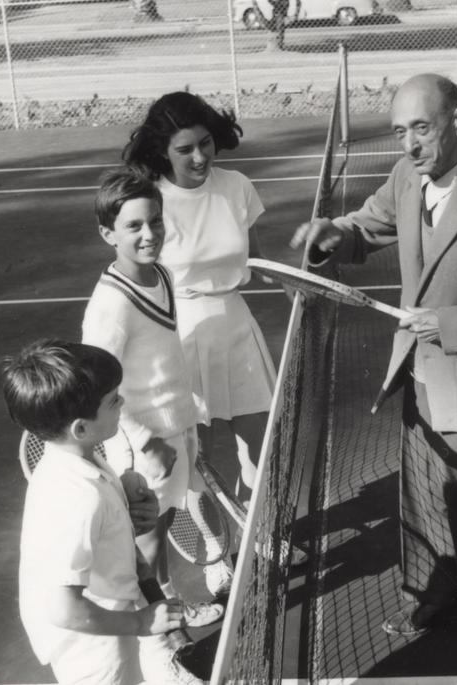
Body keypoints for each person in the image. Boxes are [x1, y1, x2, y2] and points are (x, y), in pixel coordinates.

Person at [290, 73, 457, 677]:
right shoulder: (407, 178)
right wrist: (337, 233)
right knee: (421, 499)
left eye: (422, 128)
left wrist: (453, 322)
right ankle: (435, 596)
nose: (409, 145)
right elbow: (371, 224)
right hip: (419, 376)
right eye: (399, 132)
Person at [122, 91, 280, 596]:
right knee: (202, 461)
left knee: (261, 446)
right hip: (181, 335)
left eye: (206, 143)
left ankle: (259, 534)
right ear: (162, 152)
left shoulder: (236, 186)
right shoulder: (152, 202)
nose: (199, 157)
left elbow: (256, 259)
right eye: (184, 148)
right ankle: (217, 554)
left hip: (236, 324)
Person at [0, 339, 202, 684]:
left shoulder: (82, 458)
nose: (122, 402)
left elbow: (96, 538)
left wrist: (126, 508)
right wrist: (140, 623)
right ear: (81, 427)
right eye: (113, 401)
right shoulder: (78, 498)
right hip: (93, 648)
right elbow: (64, 609)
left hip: (106, 623)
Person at [81, 168, 226, 619]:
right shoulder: (111, 304)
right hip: (142, 444)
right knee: (145, 539)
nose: (149, 234)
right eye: (133, 226)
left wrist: (185, 415)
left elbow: (161, 356)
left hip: (174, 427)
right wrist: (147, 442)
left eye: (155, 221)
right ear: (108, 233)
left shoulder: (160, 274)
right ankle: (158, 627)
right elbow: (97, 382)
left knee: (157, 531)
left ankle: (164, 605)